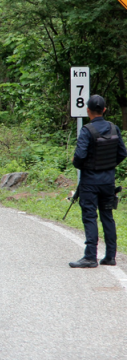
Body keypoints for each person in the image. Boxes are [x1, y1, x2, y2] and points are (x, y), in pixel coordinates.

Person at [69, 95, 127, 268]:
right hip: (108, 182)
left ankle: (90, 257)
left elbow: (79, 156)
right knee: (107, 216)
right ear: (104, 110)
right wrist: (108, 166)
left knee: (90, 217)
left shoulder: (87, 131)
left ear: (88, 111)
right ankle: (110, 256)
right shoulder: (113, 128)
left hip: (90, 182)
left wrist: (81, 165)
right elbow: (122, 153)